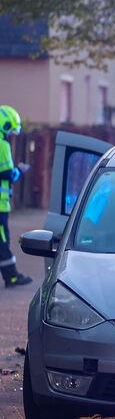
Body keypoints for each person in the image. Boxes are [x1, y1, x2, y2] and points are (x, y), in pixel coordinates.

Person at [0, 105, 31, 287]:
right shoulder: (2, 145)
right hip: (0, 206)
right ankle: (11, 277)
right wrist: (19, 170)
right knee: (3, 240)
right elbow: (6, 174)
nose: (12, 135)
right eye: (10, 129)